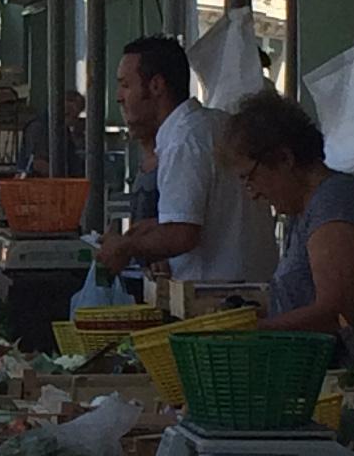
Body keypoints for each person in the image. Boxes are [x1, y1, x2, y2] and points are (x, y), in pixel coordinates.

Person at [219, 88, 354, 336]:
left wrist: (251, 330)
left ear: (284, 159)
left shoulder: (336, 206)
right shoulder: (305, 210)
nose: (252, 193)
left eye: (250, 179)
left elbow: (336, 314)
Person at [96, 35, 277, 291]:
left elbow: (182, 235)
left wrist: (124, 247)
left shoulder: (184, 140)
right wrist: (146, 233)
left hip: (218, 301)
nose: (119, 97)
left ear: (156, 86)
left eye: (126, 85)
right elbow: (207, 216)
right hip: (249, 287)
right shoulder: (216, 124)